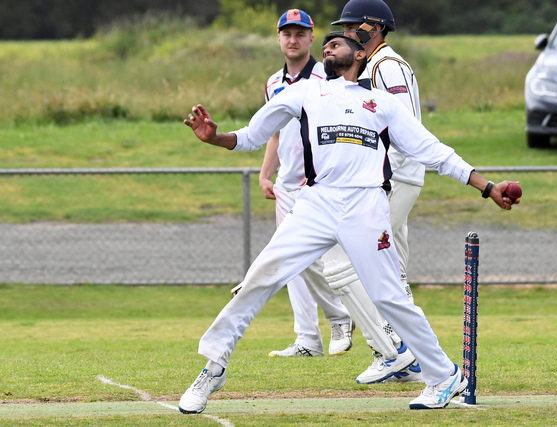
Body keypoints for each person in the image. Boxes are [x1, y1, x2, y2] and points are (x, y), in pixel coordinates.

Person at [178, 32, 519, 414]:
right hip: (317, 202)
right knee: (260, 276)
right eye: (325, 44)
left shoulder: (383, 103)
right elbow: (250, 137)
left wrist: (488, 187)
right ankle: (214, 367)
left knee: (389, 296)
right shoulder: (304, 92)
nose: (327, 47)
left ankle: (443, 376)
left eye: (337, 43)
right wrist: (215, 138)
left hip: (366, 205)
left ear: (359, 54)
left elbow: (434, 152)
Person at [328, 0, 427, 384]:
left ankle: (389, 350)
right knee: (392, 271)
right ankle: (415, 359)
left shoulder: (386, 65)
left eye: (352, 26)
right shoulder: (373, 65)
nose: (346, 34)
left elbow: (401, 126)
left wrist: (376, 175)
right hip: (393, 177)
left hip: (393, 177)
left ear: (374, 27)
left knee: (342, 260)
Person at [259, 9, 354, 358]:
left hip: (320, 185)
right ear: (279, 38)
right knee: (291, 264)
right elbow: (275, 132)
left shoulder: (326, 76)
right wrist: (266, 174)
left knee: (321, 261)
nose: (293, 40)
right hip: (286, 186)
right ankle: (308, 340)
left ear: (312, 38)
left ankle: (341, 316)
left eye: (300, 33)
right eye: (287, 33)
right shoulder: (273, 82)